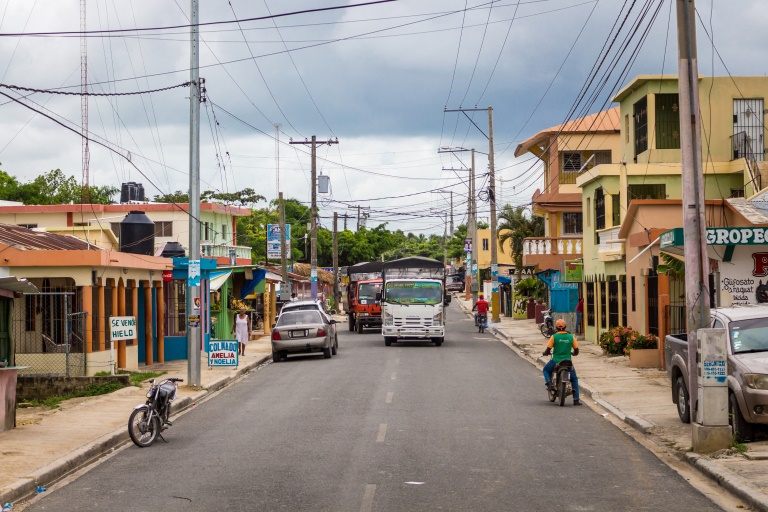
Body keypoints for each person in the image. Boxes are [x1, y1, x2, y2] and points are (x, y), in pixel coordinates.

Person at [542, 318, 581, 406]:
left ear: (556, 327)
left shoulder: (554, 337)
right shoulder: (571, 337)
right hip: (567, 362)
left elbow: (548, 350)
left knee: (545, 370)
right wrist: (573, 354)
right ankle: (576, 399)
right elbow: (576, 350)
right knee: (574, 379)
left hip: (555, 361)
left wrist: (545, 353)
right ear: (565, 327)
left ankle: (549, 384)